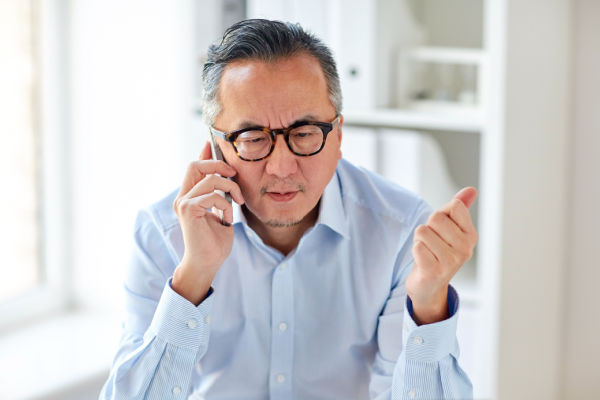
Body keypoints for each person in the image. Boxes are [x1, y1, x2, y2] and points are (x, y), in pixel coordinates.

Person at [99, 19, 477, 400]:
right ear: (215, 146)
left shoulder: (402, 232)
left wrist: (428, 306)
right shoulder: (161, 234)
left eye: (305, 133)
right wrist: (193, 277)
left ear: (339, 136)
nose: (281, 167)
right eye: (252, 138)